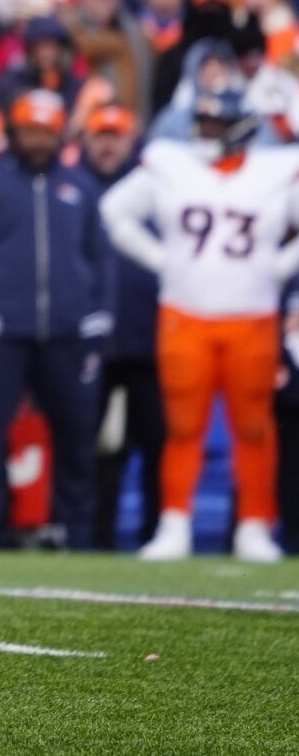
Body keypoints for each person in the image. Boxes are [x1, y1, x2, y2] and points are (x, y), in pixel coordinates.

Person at [99, 73, 294, 562]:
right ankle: (175, 523)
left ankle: (253, 526)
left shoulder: (274, 170)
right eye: (202, 120)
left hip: (252, 315)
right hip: (185, 314)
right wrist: (161, 259)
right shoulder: (170, 164)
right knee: (182, 426)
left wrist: (279, 267)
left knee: (253, 426)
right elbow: (113, 210)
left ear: (239, 125)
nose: (204, 130)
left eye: (213, 122)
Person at [0, 90, 112, 550]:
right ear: (13, 131)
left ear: (60, 135)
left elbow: (101, 257)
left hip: (68, 332)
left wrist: (100, 318)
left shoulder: (80, 186)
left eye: (47, 132)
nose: (38, 140)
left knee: (76, 437)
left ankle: (76, 532)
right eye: (30, 130)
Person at [78, 103, 163, 551]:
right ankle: (92, 537)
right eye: (100, 135)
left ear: (132, 139)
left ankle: (157, 535)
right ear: (87, 138)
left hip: (150, 341)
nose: (108, 144)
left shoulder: (155, 188)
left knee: (156, 444)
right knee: (94, 449)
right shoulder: (73, 187)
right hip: (94, 344)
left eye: (116, 135)